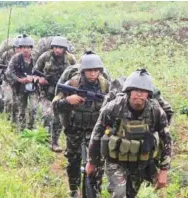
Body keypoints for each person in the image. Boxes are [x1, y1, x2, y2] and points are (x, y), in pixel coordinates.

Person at [86, 69, 172, 198]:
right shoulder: (112, 108)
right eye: (136, 90)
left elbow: (166, 140)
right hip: (115, 161)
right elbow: (97, 134)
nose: (139, 95)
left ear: (148, 94)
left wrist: (164, 170)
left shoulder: (156, 112)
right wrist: (92, 162)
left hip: (140, 163)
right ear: (128, 91)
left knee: (131, 194)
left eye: (143, 91)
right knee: (119, 193)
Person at [52, 53, 110, 197]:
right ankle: (73, 188)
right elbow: (55, 105)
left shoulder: (105, 85)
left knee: (97, 162)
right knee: (73, 160)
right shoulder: (72, 84)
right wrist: (67, 101)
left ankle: (94, 190)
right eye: (89, 70)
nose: (93, 73)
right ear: (83, 71)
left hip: (95, 130)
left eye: (96, 70)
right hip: (74, 129)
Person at [34, 36, 77, 152]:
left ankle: (55, 142)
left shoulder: (70, 59)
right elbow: (35, 71)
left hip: (62, 92)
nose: (57, 50)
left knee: (60, 118)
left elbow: (77, 73)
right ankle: (45, 140)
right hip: (46, 91)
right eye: (55, 47)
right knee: (48, 115)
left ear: (65, 49)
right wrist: (39, 79)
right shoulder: (45, 57)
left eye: (60, 48)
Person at [6, 35, 46, 132]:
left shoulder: (36, 59)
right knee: (21, 110)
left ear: (31, 48)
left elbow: (43, 72)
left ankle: (31, 127)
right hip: (20, 87)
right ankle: (22, 130)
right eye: (23, 47)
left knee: (33, 108)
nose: (25, 50)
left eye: (28, 47)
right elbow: (8, 72)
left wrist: (35, 78)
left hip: (34, 87)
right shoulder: (16, 58)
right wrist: (20, 79)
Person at [0, 35, 23, 121]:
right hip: (7, 81)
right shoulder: (7, 54)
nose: (19, 50)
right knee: (8, 100)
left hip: (19, 83)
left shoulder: (25, 57)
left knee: (16, 104)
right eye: (17, 48)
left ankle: (14, 122)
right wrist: (4, 72)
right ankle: (6, 119)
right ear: (14, 48)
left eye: (21, 48)